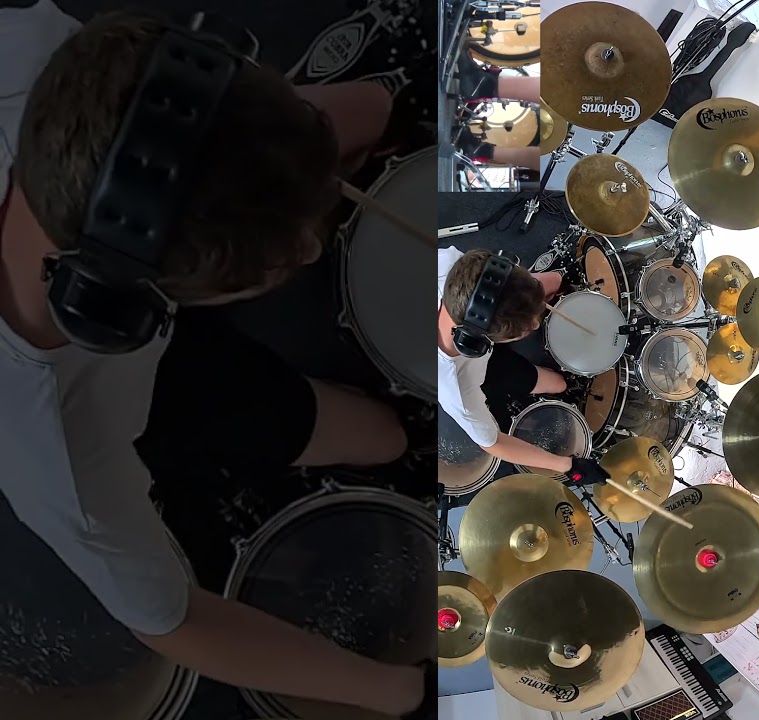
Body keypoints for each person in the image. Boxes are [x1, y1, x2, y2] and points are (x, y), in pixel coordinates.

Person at [0, 4, 432, 717]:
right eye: (282, 261)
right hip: (120, 383)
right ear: (145, 304)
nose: (314, 249)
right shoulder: (57, 447)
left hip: (110, 269)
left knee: (366, 108)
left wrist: (272, 137)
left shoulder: (43, 58)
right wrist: (403, 691)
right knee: (380, 436)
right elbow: (175, 623)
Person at [437, 247, 610, 484]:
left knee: (553, 280)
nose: (537, 325)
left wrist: (530, 290)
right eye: (528, 328)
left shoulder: (455, 266)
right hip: (472, 365)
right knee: (558, 384)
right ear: (484, 341)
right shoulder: (455, 386)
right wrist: (568, 465)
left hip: (471, 330)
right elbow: (493, 443)